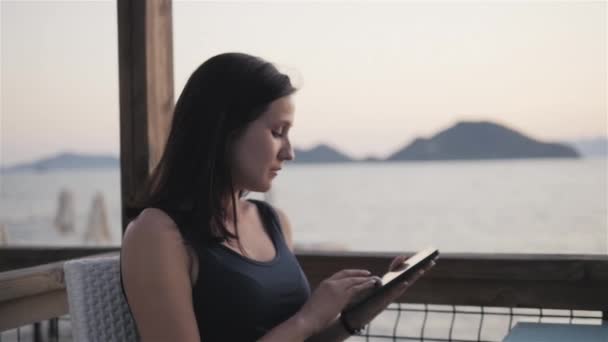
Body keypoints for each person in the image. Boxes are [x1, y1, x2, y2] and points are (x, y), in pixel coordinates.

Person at [120, 52, 435, 342]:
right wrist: (309, 317)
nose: (290, 152)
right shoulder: (157, 233)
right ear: (225, 129)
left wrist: (355, 315)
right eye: (277, 131)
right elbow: (301, 327)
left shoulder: (272, 222)